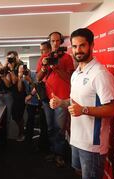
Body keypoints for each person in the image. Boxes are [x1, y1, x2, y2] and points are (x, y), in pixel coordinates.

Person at [50, 28, 114, 179]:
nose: (78, 50)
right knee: (82, 178)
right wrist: (62, 103)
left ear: (92, 45)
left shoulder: (100, 74)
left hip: (92, 143)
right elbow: (75, 102)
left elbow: (112, 109)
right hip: (77, 139)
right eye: (74, 46)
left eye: (82, 46)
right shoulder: (77, 73)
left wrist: (84, 110)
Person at [36, 31, 74, 167]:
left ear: (61, 42)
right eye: (53, 41)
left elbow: (70, 79)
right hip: (47, 98)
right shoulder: (44, 58)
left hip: (62, 98)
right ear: (49, 42)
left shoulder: (67, 58)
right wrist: (46, 66)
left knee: (59, 128)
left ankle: (60, 154)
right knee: (51, 127)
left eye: (58, 41)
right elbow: (38, 78)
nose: (55, 43)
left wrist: (56, 67)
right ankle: (53, 151)